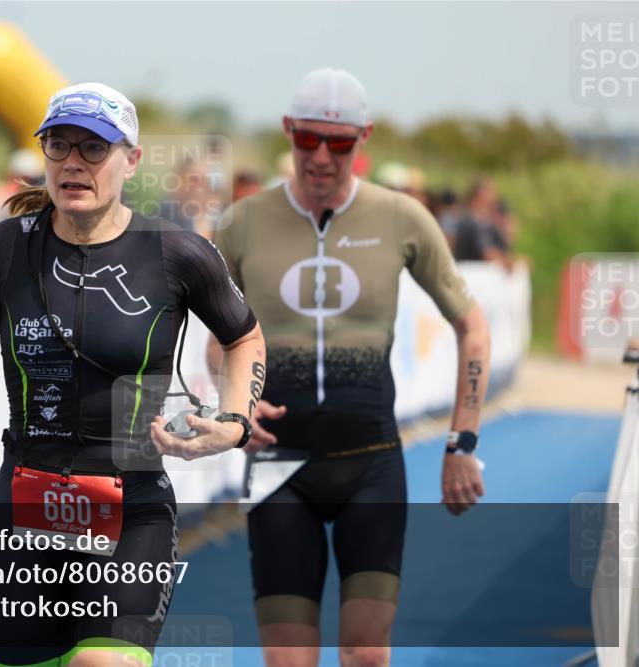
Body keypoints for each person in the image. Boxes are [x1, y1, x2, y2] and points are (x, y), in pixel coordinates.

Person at [0, 82, 265, 667]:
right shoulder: (0, 250)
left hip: (132, 505)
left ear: (131, 161)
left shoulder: (177, 253)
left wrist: (236, 421)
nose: (73, 162)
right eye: (58, 145)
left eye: (93, 148)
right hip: (24, 510)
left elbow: (243, 337)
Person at [209, 68, 492, 667]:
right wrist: (235, 405)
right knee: (288, 661)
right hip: (278, 464)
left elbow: (473, 327)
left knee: (365, 653)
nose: (320, 156)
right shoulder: (241, 223)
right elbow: (219, 341)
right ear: (287, 129)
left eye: (338, 142)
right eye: (307, 138)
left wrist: (462, 441)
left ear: (364, 138)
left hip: (371, 465)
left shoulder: (402, 217)